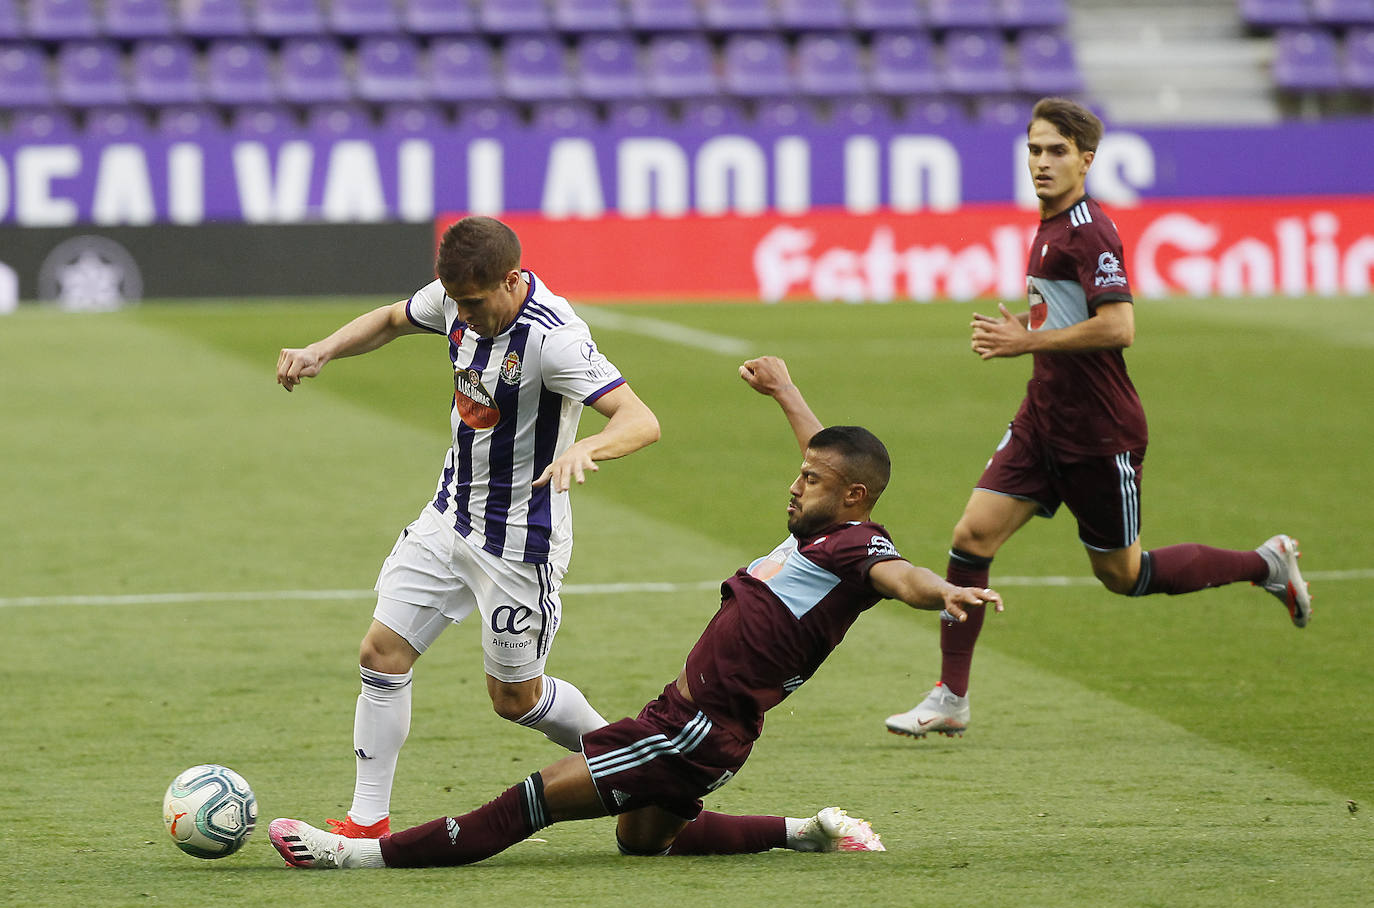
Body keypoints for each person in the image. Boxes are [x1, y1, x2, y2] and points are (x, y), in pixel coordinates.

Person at [266, 357, 1004, 868]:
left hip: (689, 729)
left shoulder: (855, 550)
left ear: (852, 499)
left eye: (810, 481)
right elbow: (826, 454)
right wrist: (785, 390)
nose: (794, 483)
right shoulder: (825, 525)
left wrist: (945, 592)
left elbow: (900, 577)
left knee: (537, 799)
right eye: (800, 472)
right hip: (711, 733)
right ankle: (804, 833)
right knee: (644, 840)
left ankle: (362, 854)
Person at [882, 98, 1312, 740]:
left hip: (1098, 433)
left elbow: (1120, 325)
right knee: (971, 539)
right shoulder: (1048, 225)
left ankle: (1266, 564)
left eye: (1057, 150)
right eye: (1034, 149)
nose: (1043, 162)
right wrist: (1031, 343)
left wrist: (1024, 342)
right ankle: (951, 698)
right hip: (1042, 420)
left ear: (1086, 159)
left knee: (1124, 575)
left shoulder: (1089, 230)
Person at [275, 216, 661, 838]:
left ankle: (645, 767)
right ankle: (368, 819)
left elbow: (640, 419)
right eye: (455, 301)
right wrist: (322, 350)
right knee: (381, 652)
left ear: (511, 281)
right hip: (449, 518)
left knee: (516, 701)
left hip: (519, 542)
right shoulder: (457, 299)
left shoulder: (554, 339)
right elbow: (394, 319)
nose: (463, 315)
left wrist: (587, 449)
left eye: (474, 304)